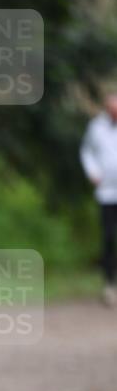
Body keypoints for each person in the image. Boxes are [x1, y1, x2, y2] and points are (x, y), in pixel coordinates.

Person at [80, 91, 117, 307]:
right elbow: (86, 151)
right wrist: (92, 172)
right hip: (106, 192)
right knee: (109, 238)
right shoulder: (96, 127)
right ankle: (109, 285)